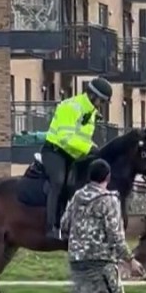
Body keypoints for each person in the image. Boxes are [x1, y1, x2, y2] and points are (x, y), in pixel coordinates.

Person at [35, 158, 144, 293]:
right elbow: (115, 235)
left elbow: (65, 225)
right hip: (100, 260)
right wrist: (130, 261)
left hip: (77, 260)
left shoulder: (77, 197)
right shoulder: (108, 200)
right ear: (108, 177)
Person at [41, 77, 113, 240]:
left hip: (73, 154)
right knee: (58, 181)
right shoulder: (71, 106)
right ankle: (50, 227)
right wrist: (89, 148)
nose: (101, 105)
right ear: (93, 96)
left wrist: (96, 150)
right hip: (55, 151)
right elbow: (65, 138)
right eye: (101, 101)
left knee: (75, 184)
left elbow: (84, 138)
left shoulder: (91, 113)